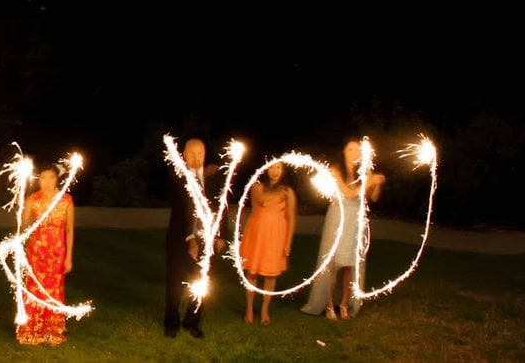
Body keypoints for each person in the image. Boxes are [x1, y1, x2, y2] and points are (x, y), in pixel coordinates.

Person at [301, 139, 386, 320]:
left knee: (350, 264)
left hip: (356, 219)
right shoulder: (335, 170)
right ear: (344, 151)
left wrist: (376, 183)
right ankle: (329, 304)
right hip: (339, 218)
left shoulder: (365, 172)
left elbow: (374, 198)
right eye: (350, 148)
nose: (355, 152)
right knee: (335, 264)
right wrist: (368, 182)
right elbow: (348, 194)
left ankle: (345, 303)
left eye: (357, 149)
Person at [164, 137, 225, 339]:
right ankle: (171, 322)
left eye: (200, 153)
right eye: (192, 153)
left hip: (206, 240)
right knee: (175, 283)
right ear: (184, 155)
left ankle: (193, 321)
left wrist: (221, 235)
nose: (196, 158)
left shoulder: (214, 178)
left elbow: (221, 206)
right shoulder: (178, 175)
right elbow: (184, 204)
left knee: (202, 282)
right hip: (180, 240)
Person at [15, 162, 75, 346]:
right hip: (36, 253)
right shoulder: (33, 199)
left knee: (53, 292)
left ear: (57, 180)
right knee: (34, 291)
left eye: (50, 178)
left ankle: (52, 330)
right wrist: (22, 207)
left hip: (57, 253)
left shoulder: (66, 201)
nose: (46, 182)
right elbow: (24, 226)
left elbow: (69, 230)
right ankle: (32, 328)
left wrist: (68, 257)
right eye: (42, 178)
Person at [238, 160, 297, 325]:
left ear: (283, 170)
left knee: (271, 274)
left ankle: (264, 309)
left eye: (278, 167)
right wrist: (278, 194)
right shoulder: (257, 186)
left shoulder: (289, 192)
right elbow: (262, 199)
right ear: (265, 169)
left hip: (276, 236)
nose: (275, 171)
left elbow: (291, 218)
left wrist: (288, 243)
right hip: (257, 235)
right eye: (271, 167)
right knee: (253, 272)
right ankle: (249, 307)